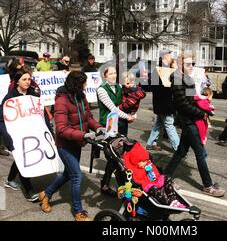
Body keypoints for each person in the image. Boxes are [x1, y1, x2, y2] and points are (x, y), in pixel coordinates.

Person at [38, 71, 102, 221]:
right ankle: (78, 211)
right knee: (76, 176)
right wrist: (84, 135)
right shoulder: (61, 100)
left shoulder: (81, 96)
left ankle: (46, 193)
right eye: (84, 83)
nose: (86, 86)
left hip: (77, 142)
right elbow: (61, 128)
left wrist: (98, 127)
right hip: (65, 145)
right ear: (77, 85)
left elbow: (88, 117)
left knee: (69, 173)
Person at [164, 52, 225, 197]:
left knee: (181, 152)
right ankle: (208, 186)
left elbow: (194, 99)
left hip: (191, 119)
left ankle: (164, 178)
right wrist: (201, 113)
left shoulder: (188, 78)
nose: (191, 66)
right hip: (188, 120)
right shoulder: (177, 79)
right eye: (187, 64)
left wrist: (205, 106)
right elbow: (182, 104)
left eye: (192, 63)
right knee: (200, 153)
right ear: (180, 65)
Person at [0, 68, 49, 202]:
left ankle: (10, 180)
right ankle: (29, 190)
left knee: (21, 159)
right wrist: (7, 137)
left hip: (33, 133)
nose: (28, 82)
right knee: (24, 160)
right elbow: (1, 120)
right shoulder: (9, 98)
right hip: (16, 134)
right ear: (17, 82)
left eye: (29, 79)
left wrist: (49, 130)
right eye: (24, 79)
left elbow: (42, 113)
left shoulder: (34, 94)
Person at [96, 64, 136, 196]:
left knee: (119, 155)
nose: (113, 76)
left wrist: (133, 112)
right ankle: (121, 187)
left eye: (115, 73)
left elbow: (128, 102)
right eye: (110, 73)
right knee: (114, 156)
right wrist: (128, 116)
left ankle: (107, 184)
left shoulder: (119, 87)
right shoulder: (101, 90)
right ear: (104, 75)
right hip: (109, 126)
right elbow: (113, 108)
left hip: (122, 124)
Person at [123, 142, 186, 208]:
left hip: (154, 180)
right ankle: (168, 202)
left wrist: (151, 170)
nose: (145, 162)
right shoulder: (133, 170)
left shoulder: (147, 164)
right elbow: (137, 181)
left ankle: (173, 198)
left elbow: (157, 174)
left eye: (146, 160)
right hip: (147, 185)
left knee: (167, 178)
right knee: (154, 188)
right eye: (143, 161)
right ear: (136, 161)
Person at [146, 49, 180, 151]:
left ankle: (150, 143)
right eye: (170, 55)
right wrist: (175, 69)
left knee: (159, 124)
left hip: (161, 103)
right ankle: (177, 147)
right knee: (169, 124)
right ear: (165, 56)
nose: (172, 57)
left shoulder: (161, 69)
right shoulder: (161, 69)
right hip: (164, 103)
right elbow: (169, 86)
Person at [119, 72, 146, 136]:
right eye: (127, 83)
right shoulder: (124, 89)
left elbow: (129, 103)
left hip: (129, 111)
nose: (130, 85)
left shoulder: (135, 90)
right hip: (125, 113)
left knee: (122, 132)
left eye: (131, 82)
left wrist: (119, 107)